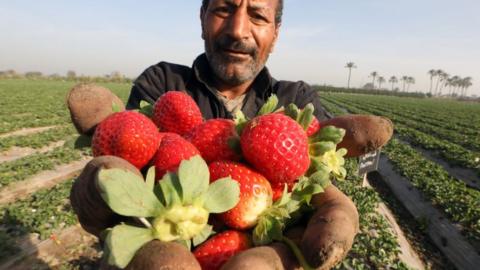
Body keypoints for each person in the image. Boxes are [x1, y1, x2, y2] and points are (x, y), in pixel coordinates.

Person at [126, 0, 331, 121]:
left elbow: (317, 184)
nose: (237, 31)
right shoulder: (163, 86)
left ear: (275, 35)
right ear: (202, 19)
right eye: (224, 10)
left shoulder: (296, 103)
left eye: (258, 16)